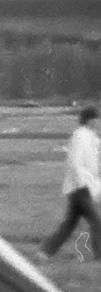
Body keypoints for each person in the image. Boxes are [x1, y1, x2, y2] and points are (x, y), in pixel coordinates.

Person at [41, 105, 101, 260]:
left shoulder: (91, 137)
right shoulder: (80, 136)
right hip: (79, 187)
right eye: (96, 118)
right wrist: (84, 184)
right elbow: (75, 163)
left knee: (69, 224)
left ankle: (45, 251)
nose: (98, 121)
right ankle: (99, 255)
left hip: (83, 187)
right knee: (96, 220)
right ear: (89, 120)